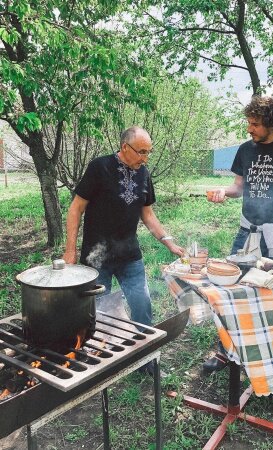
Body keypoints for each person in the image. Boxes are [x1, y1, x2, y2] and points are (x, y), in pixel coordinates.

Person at [203, 96, 273, 374]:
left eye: (254, 124)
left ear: (270, 122)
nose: (249, 129)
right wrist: (223, 192)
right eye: (249, 123)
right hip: (247, 231)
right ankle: (226, 351)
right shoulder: (245, 150)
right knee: (232, 289)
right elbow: (238, 187)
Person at [63, 126, 183, 373]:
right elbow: (76, 209)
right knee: (97, 312)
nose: (145, 158)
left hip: (129, 255)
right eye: (141, 152)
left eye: (148, 152)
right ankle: (99, 361)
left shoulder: (143, 173)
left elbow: (148, 214)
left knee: (142, 305)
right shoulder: (100, 167)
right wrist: (70, 251)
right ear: (124, 147)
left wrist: (168, 240)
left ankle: (146, 359)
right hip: (97, 257)